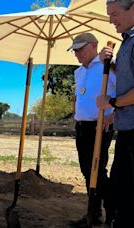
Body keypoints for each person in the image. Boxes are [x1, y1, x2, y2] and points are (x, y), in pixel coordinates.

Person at [67, 33, 116, 227]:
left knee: (97, 170)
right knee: (87, 171)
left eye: (80, 49)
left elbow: (122, 93)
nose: (77, 53)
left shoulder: (108, 66)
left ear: (94, 46)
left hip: (101, 126)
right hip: (82, 127)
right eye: (75, 50)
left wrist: (113, 116)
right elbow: (80, 97)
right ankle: (93, 214)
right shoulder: (78, 72)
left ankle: (113, 213)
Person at [96, 0, 134, 227]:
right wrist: (108, 64)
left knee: (128, 195)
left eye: (115, 13)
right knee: (121, 190)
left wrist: (112, 102)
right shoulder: (127, 42)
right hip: (126, 128)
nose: (111, 20)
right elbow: (127, 77)